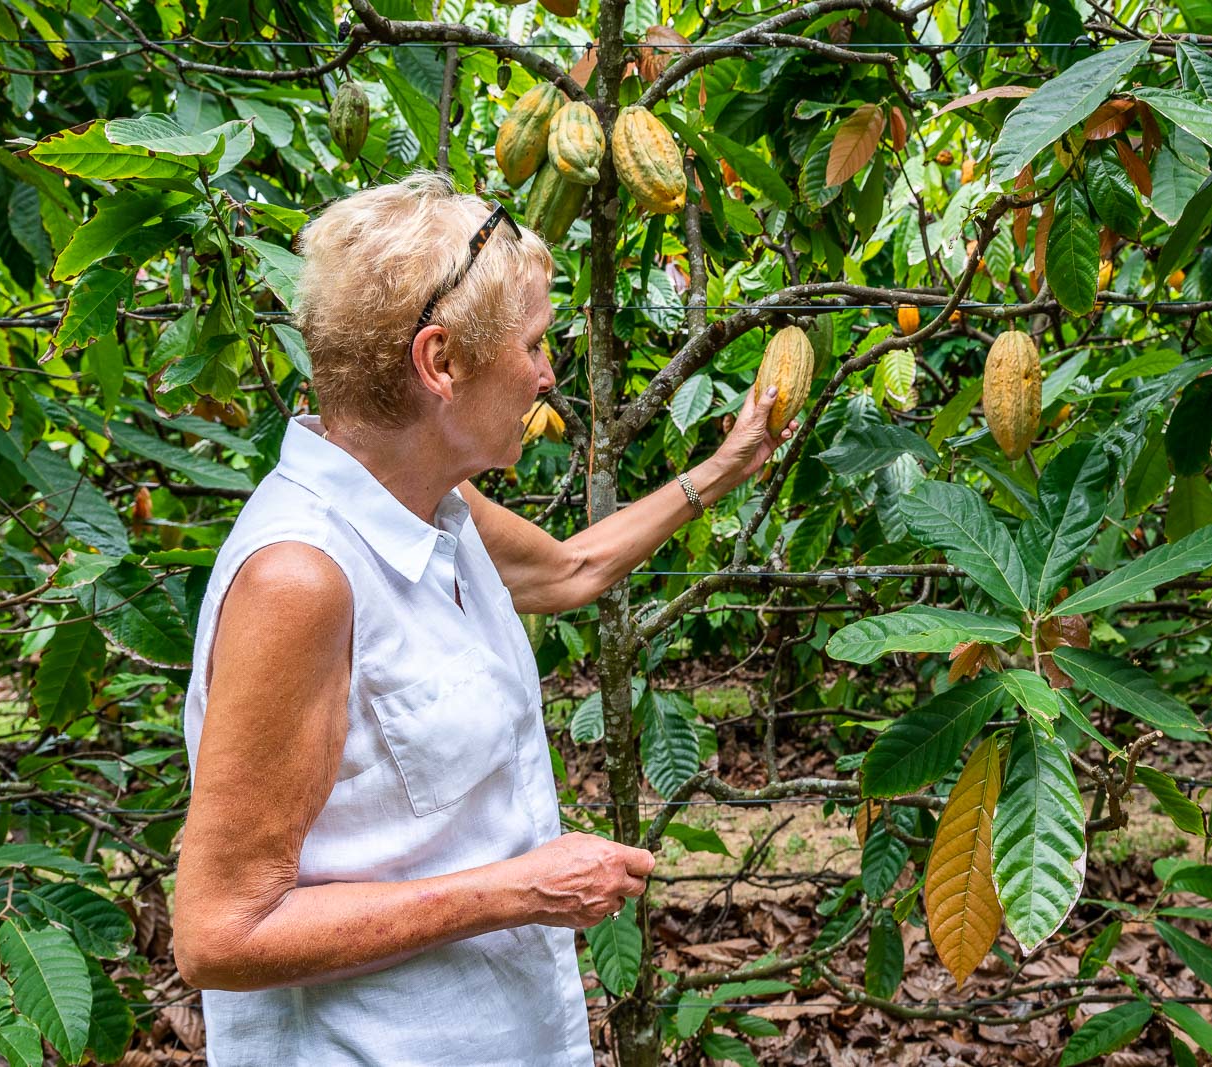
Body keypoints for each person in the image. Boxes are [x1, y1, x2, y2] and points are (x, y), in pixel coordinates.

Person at [172, 171, 794, 1065]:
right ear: (441, 363)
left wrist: (728, 467)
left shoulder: (432, 504)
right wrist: (520, 888)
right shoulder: (302, 578)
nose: (547, 374)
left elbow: (574, 568)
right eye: (535, 343)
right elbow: (220, 935)